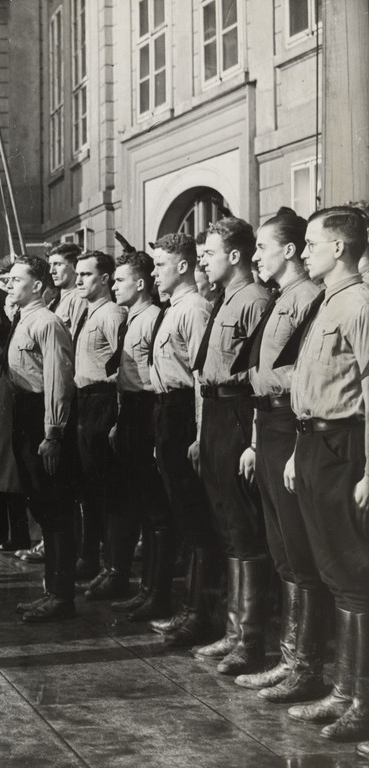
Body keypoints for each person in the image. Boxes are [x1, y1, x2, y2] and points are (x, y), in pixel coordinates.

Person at [229, 208, 327, 701]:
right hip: (266, 420)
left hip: (291, 421)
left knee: (297, 550)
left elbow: (302, 378)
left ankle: (304, 666)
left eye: (263, 248)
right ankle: (289, 660)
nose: (256, 256)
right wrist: (252, 439)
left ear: (289, 251)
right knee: (280, 547)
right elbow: (256, 374)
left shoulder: (308, 297)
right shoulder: (279, 298)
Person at [281, 207, 369, 747]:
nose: (304, 250)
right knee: (334, 570)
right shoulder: (328, 302)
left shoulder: (359, 303)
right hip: (313, 442)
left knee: (355, 575)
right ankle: (342, 691)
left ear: (339, 248)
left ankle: (360, 700)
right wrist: (296, 450)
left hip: (344, 446)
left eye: (311, 243)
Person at [192, 216, 271, 676]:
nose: (203, 259)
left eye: (210, 252)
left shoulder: (255, 300)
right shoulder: (224, 299)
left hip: (240, 412)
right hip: (216, 414)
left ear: (234, 256)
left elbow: (259, 373)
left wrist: (252, 438)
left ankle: (252, 639)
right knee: (226, 523)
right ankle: (234, 631)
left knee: (244, 525)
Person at [146, 234, 216, 649]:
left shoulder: (194, 310)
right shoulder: (174, 309)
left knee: (196, 519)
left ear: (184, 266)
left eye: (161, 265)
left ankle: (199, 615)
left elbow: (201, 378)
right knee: (185, 518)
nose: (155, 272)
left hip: (184, 414)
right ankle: (189, 610)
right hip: (166, 412)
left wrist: (199, 434)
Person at [2, 256, 77, 622]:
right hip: (24, 414)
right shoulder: (23, 319)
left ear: (36, 285)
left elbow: (57, 380)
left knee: (56, 509)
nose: (10, 284)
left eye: (17, 279)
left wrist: (53, 432)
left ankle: (62, 597)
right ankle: (52, 591)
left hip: (41, 419)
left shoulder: (47, 322)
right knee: (43, 509)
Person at [107, 250, 173, 621]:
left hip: (148, 410)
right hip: (130, 411)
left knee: (155, 509)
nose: (115, 286)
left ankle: (157, 593)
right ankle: (145, 589)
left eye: (120, 280)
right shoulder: (133, 318)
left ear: (141, 283)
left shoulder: (153, 319)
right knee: (140, 505)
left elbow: (154, 377)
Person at [72, 251, 126, 593]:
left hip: (103, 402)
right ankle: (89, 557)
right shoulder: (88, 312)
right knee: (88, 487)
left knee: (108, 489)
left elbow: (125, 368)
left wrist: (116, 417)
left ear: (105, 278)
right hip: (85, 402)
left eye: (86, 274)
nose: (78, 280)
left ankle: (113, 566)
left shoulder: (112, 314)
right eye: (77, 274)